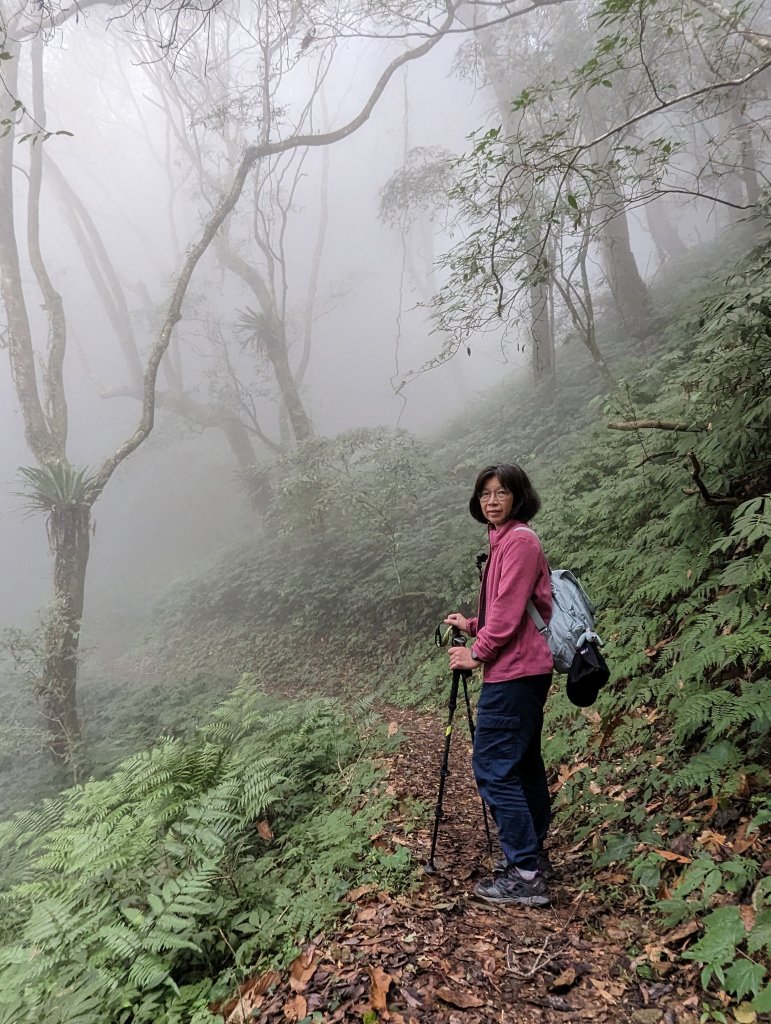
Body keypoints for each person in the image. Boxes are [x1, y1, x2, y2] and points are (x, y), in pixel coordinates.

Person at [444, 463, 553, 907]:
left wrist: (477, 652)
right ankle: (533, 857)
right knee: (522, 764)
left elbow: (507, 616)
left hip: (515, 672)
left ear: (518, 496)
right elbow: (508, 610)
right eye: (485, 493)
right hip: (522, 669)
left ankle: (525, 873)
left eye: (501, 492)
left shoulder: (519, 542)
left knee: (492, 766)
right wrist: (472, 625)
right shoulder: (503, 540)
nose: (491, 500)